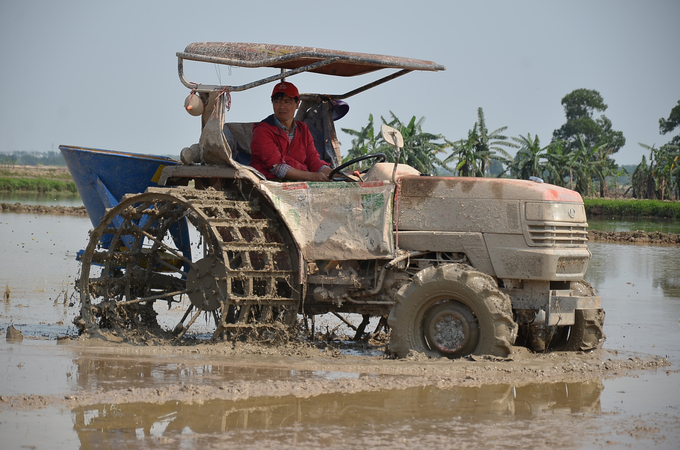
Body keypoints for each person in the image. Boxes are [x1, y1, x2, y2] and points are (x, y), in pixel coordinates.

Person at [250, 81, 333, 181]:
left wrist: (341, 174)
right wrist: (313, 176)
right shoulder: (262, 131)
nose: (281, 106)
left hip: (296, 184)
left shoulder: (303, 129)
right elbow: (277, 167)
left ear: (297, 104)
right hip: (267, 184)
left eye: (287, 102)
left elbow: (314, 162)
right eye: (277, 102)